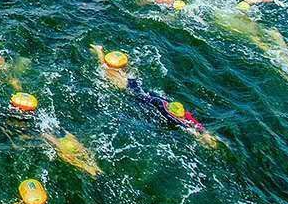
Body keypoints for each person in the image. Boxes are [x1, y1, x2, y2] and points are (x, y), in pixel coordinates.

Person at [90, 46, 220, 147]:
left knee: (108, 72)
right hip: (140, 92)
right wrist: (203, 134)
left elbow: (187, 124)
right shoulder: (181, 115)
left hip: (139, 91)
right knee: (114, 75)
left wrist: (202, 134)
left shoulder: (168, 109)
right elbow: (191, 123)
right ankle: (102, 54)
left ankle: (100, 52)